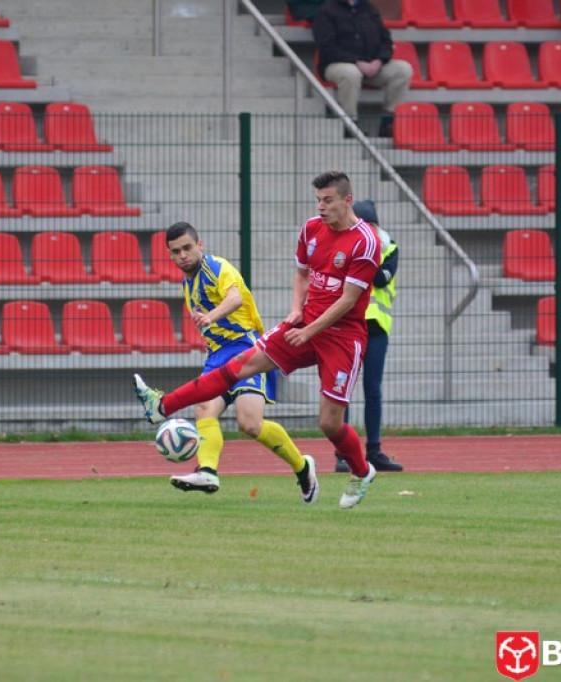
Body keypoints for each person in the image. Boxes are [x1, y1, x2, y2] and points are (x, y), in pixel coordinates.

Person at [135, 170, 382, 510]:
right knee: (238, 368)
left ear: (347, 200)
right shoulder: (311, 229)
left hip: (342, 337)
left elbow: (348, 300)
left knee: (328, 422)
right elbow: (302, 273)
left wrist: (308, 331)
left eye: (328, 201)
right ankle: (162, 406)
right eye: (318, 201)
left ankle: (361, 470)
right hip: (304, 324)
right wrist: (296, 311)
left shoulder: (366, 241)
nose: (321, 208)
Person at [161, 222, 318, 500]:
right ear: (171, 256)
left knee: (250, 424)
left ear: (200, 245)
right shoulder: (189, 285)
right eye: (176, 251)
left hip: (246, 349)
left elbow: (233, 299)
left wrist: (210, 317)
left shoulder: (218, 268)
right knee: (204, 409)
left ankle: (302, 466)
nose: (183, 255)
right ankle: (207, 470)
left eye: (187, 247)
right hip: (217, 356)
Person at [334, 200, 402, 474]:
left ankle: (374, 450)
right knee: (343, 391)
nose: (365, 231)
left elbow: (382, 279)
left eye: (369, 225)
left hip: (376, 329)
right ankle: (342, 453)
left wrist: (360, 257)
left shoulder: (390, 248)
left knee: (372, 390)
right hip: (348, 327)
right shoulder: (343, 248)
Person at [312, 0, 412, 137]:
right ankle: (350, 125)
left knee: (403, 69)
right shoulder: (326, 10)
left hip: (371, 64)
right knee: (350, 73)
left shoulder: (370, 9)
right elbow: (326, 48)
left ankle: (389, 122)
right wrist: (357, 62)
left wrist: (379, 60)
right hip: (336, 64)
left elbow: (386, 41)